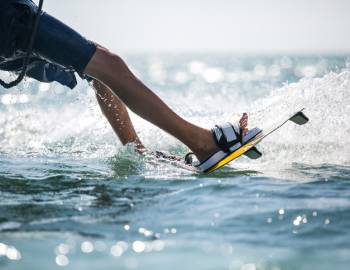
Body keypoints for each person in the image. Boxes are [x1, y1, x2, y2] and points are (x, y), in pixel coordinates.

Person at [0, 0, 254, 173]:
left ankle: (138, 152)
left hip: (13, 21)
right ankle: (203, 144)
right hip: (9, 17)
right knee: (108, 65)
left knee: (101, 67)